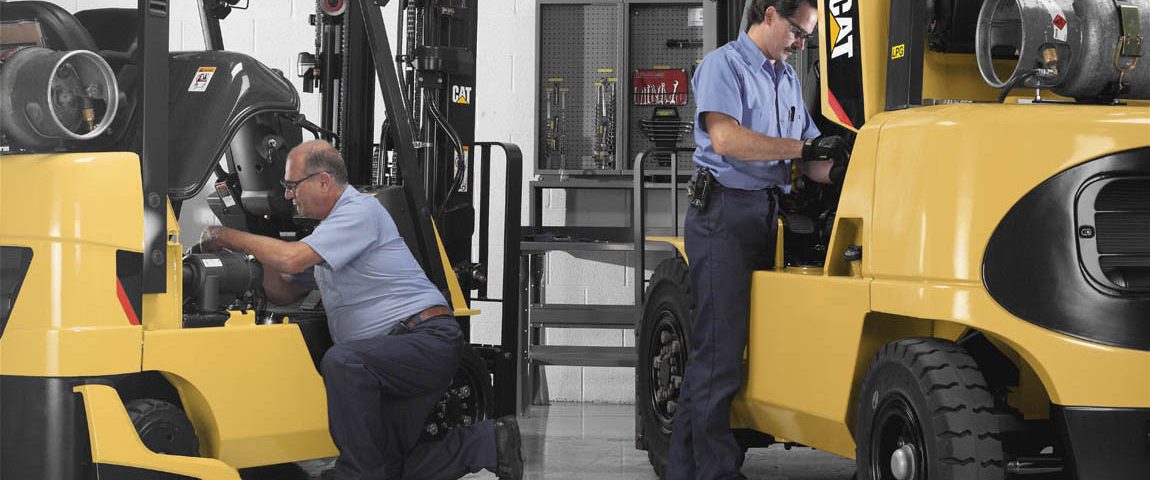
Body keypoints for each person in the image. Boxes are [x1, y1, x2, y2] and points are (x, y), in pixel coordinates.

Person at [198, 140, 523, 480]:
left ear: (324, 181)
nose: (289, 195)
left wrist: (224, 236)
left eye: (292, 185)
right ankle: (489, 443)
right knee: (388, 468)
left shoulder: (358, 211)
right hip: (389, 357)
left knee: (343, 363)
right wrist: (240, 273)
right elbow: (285, 287)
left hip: (423, 340)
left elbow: (291, 257)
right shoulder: (329, 234)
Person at [668, 1, 850, 479]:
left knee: (729, 348)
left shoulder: (786, 78)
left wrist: (850, 165)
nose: (800, 43)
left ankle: (683, 467)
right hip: (722, 214)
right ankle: (717, 471)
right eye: (797, 31)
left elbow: (810, 159)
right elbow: (727, 140)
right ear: (769, 15)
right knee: (719, 352)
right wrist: (803, 149)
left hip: (766, 215)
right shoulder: (722, 66)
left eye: (806, 36)